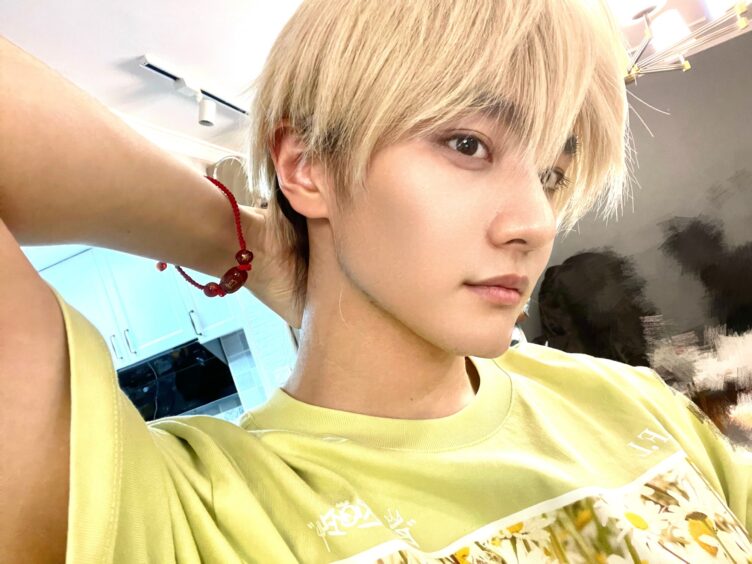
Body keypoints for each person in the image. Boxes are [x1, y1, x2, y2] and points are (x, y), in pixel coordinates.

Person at [2, 1, 752, 562]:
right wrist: (248, 243)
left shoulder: (628, 402)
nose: (535, 221)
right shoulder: (190, 515)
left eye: (552, 172)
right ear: (305, 166)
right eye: (468, 144)